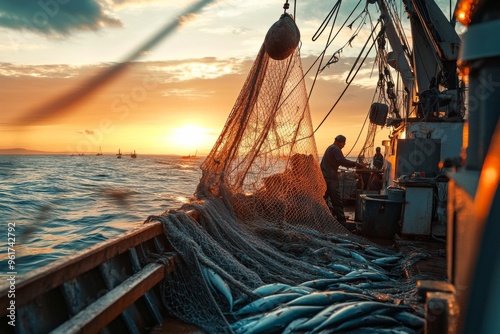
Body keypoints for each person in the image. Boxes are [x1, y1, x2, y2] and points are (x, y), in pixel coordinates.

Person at [320, 135, 364, 229]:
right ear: (340, 142)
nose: (344, 145)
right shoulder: (335, 149)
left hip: (325, 177)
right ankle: (342, 224)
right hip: (331, 179)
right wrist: (356, 164)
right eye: (344, 143)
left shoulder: (330, 148)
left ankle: (323, 219)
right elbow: (341, 160)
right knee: (336, 200)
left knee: (324, 199)